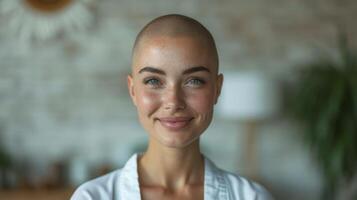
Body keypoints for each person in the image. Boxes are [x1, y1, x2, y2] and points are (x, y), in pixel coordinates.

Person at [71, 14, 273, 200]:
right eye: (153, 81)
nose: (173, 102)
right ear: (133, 90)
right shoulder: (92, 197)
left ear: (217, 89)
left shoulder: (250, 197)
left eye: (194, 81)